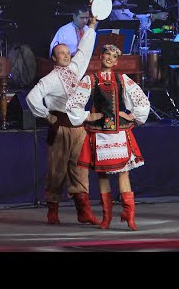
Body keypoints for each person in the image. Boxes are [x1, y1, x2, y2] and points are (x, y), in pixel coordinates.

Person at [66, 44, 150, 231]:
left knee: (123, 172)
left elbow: (141, 100)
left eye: (114, 56)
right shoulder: (91, 79)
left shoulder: (122, 79)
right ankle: (107, 217)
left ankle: (129, 214)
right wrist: (88, 115)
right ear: (101, 56)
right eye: (107, 54)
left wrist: (131, 115)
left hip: (119, 132)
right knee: (102, 174)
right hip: (101, 133)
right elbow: (74, 103)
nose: (110, 58)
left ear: (117, 61)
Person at [26, 15, 99, 226]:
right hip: (61, 128)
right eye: (61, 54)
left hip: (79, 128)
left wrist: (92, 26)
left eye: (67, 53)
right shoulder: (49, 79)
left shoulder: (76, 69)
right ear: (54, 58)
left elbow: (84, 50)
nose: (66, 56)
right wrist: (46, 115)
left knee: (80, 169)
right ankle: (53, 210)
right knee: (57, 169)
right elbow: (32, 97)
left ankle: (83, 210)